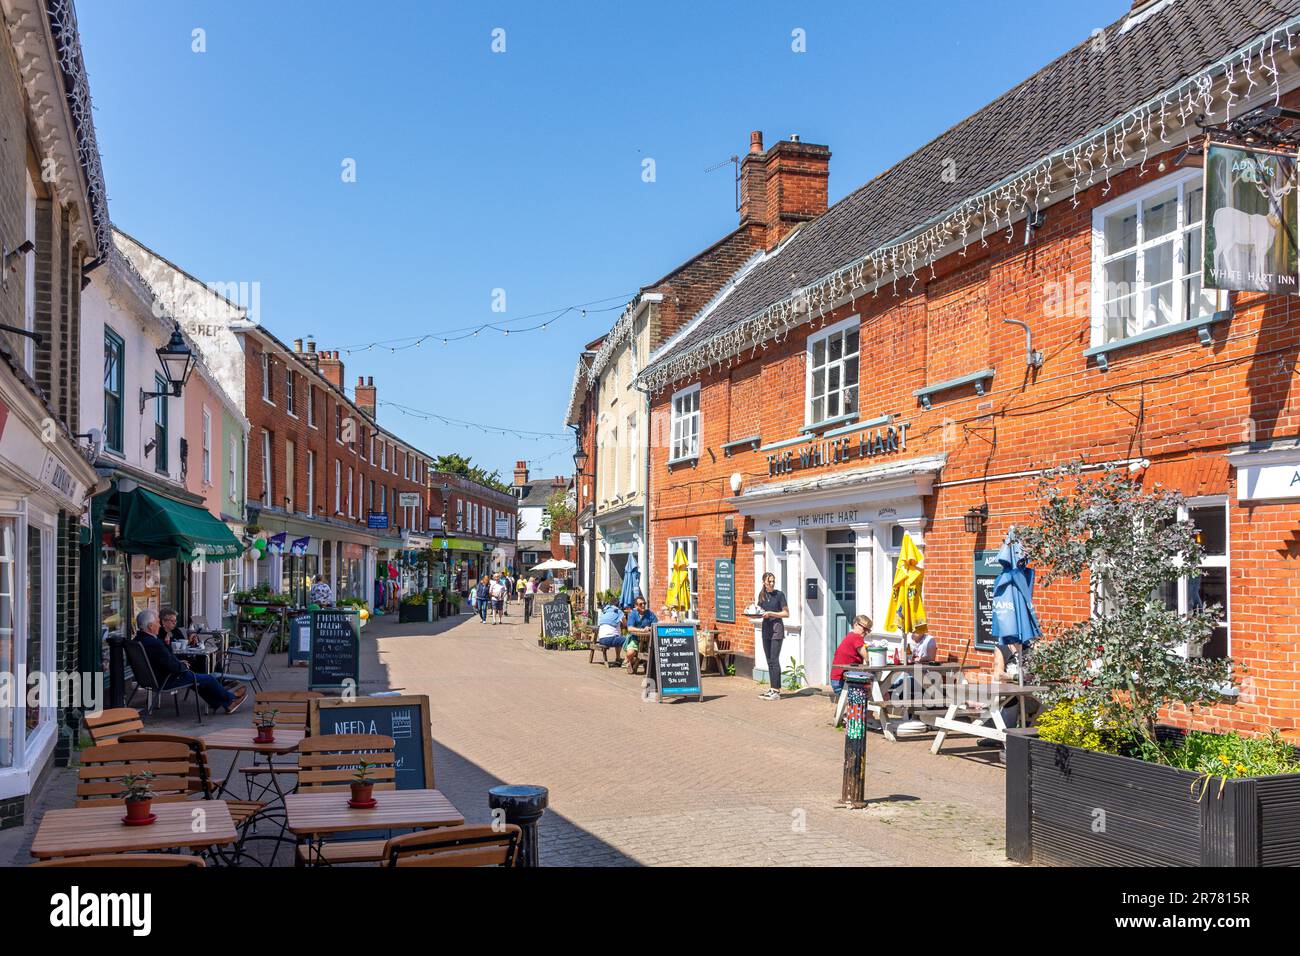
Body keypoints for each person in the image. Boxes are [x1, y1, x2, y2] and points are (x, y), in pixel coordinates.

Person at [134, 608, 243, 714]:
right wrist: (183, 666)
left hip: (152, 679)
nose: (159, 625)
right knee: (209, 678)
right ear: (150, 626)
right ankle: (230, 699)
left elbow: (163, 660)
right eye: (157, 622)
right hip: (166, 679)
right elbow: (171, 664)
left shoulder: (137, 640)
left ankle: (218, 701)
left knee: (197, 681)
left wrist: (179, 663)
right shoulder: (155, 643)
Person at [756, 572, 789, 700]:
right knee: (769, 660)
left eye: (773, 581)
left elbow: (786, 613)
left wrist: (771, 613)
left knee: (774, 660)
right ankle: (772, 688)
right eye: (769, 581)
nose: (771, 583)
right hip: (766, 630)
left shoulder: (779, 595)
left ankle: (777, 691)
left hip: (777, 631)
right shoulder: (762, 596)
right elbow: (759, 611)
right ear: (764, 582)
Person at [829, 615, 873, 697]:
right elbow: (868, 658)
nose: (866, 632)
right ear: (856, 624)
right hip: (843, 680)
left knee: (867, 692)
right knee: (869, 693)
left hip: (837, 678)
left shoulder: (850, 636)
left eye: (868, 630)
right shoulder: (856, 637)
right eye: (864, 628)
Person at [623, 596, 658, 672]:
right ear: (636, 606)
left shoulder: (650, 614)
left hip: (648, 640)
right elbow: (629, 628)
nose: (643, 605)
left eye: (644, 603)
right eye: (640, 604)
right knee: (630, 653)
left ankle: (642, 663)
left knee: (654, 651)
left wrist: (649, 628)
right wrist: (641, 630)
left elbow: (656, 625)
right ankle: (629, 660)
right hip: (635, 638)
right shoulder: (633, 614)